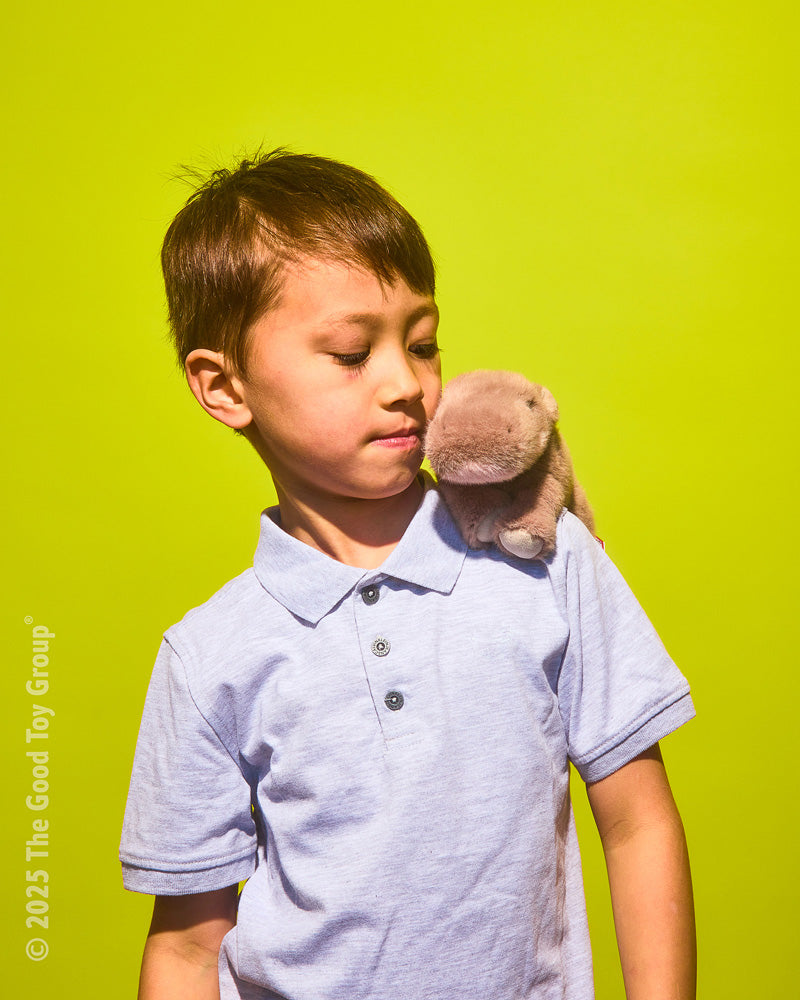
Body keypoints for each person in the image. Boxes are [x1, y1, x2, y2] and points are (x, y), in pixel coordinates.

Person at [120, 149, 697, 1000]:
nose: (407, 383)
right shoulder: (208, 658)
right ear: (225, 387)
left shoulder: (544, 559)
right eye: (353, 354)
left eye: (423, 344)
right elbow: (185, 949)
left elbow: (639, 823)